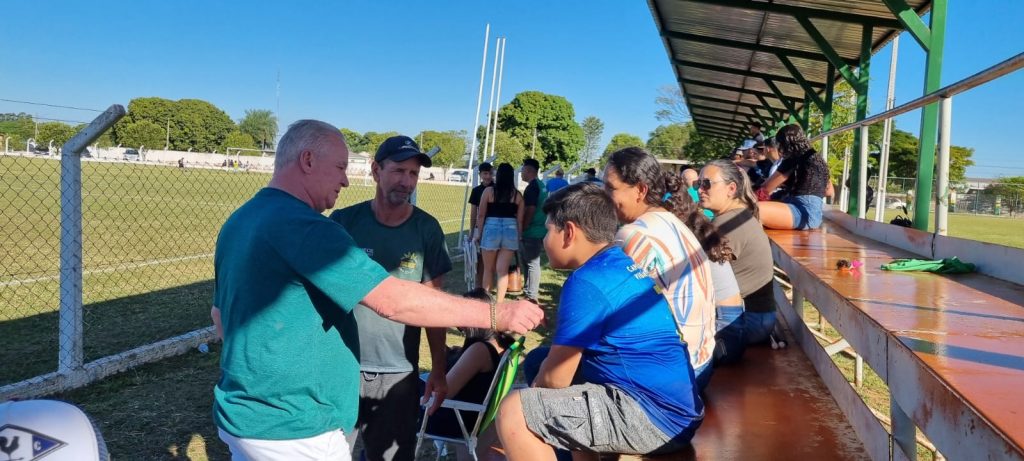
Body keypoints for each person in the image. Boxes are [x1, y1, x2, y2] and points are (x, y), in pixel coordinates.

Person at [210, 120, 543, 460]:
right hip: (295, 427)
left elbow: (220, 318)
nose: (343, 178)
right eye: (340, 167)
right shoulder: (311, 227)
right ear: (307, 161)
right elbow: (393, 300)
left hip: (245, 419)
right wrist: (499, 312)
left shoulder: (240, 220)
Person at [496, 183, 703, 460]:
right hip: (675, 410)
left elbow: (556, 380)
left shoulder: (586, 282)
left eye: (548, 230)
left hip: (656, 420)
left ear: (569, 232)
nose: (545, 240)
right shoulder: (617, 261)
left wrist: (533, 398)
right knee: (538, 360)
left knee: (514, 411)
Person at [329, 135, 453, 461]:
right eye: (399, 171)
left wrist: (438, 370)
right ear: (375, 171)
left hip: (398, 374)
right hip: (341, 367)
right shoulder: (344, 223)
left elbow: (434, 308)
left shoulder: (427, 229)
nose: (407, 181)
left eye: (413, 174)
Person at [604, 147, 717, 391]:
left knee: (542, 363)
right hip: (702, 363)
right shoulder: (675, 222)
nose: (604, 196)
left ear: (640, 190)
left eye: (610, 188)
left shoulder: (634, 234)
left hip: (678, 375)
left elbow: (608, 314)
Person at [423, 288, 516, 460]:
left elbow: (443, 392)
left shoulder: (479, 350)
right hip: (473, 414)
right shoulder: (499, 343)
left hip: (457, 418)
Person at [698, 160, 777, 345]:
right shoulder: (737, 217)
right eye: (698, 184)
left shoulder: (727, 225)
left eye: (706, 184)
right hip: (758, 317)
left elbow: (702, 277)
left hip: (748, 319)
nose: (700, 189)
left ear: (731, 189)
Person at [757, 124, 834, 230]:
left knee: (752, 209)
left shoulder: (793, 159)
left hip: (800, 213)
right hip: (814, 215)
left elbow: (765, 189)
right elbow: (829, 192)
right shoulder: (820, 161)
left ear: (785, 143)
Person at [475, 163, 525, 304]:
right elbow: (520, 220)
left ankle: (485, 302)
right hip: (511, 229)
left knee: (488, 269)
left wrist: (478, 233)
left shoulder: (489, 192)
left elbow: (481, 215)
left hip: (491, 228)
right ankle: (499, 304)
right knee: (502, 271)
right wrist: (519, 236)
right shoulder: (517, 195)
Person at [520, 158, 547, 303]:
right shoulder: (541, 185)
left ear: (529, 170)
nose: (521, 172)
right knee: (528, 263)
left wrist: (523, 227)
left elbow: (530, 209)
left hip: (532, 231)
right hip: (540, 229)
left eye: (523, 169)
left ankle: (532, 296)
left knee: (532, 263)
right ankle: (528, 292)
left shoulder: (532, 187)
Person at [468, 162, 495, 288]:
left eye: (490, 173)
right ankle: (479, 285)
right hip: (480, 227)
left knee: (491, 259)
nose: (488, 176)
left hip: (493, 227)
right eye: (485, 173)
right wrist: (472, 231)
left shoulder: (497, 189)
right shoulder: (476, 191)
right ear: (480, 175)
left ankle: (487, 286)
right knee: (478, 258)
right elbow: (474, 212)